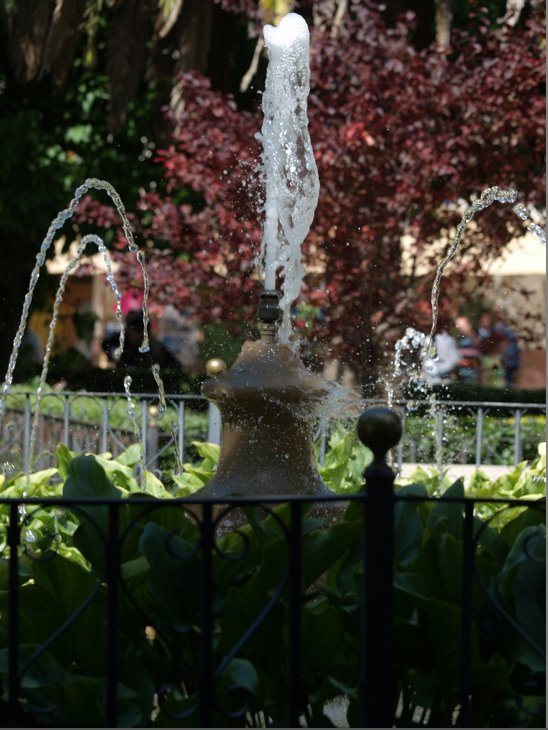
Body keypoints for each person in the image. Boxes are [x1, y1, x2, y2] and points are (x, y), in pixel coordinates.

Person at [455, 315, 482, 384]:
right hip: (461, 374)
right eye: (458, 325)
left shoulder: (474, 337)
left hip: (472, 374)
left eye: (462, 325)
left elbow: (477, 345)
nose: (460, 327)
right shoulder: (458, 339)